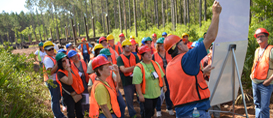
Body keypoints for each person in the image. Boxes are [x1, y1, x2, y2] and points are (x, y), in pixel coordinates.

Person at [164, 1, 221, 118]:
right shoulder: (187, 58)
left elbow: (184, 79)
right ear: (179, 46)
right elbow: (210, 37)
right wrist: (216, 14)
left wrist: (202, 72)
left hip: (182, 111)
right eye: (183, 42)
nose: (186, 44)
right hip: (195, 111)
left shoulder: (170, 66)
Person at [133, 45, 166, 118]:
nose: (149, 55)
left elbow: (161, 75)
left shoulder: (155, 63)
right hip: (146, 96)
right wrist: (140, 95)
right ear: (142, 56)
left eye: (149, 53)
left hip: (156, 93)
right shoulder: (138, 67)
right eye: (147, 54)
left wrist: (164, 85)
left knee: (151, 111)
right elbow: (137, 83)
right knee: (146, 113)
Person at [251, 28, 273, 118]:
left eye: (261, 36)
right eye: (257, 36)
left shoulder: (271, 50)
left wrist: (269, 80)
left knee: (264, 108)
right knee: (257, 106)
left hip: (266, 84)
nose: (259, 38)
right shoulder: (257, 50)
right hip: (255, 83)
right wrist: (251, 76)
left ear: (267, 37)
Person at [56, 52, 84, 118]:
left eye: (66, 59)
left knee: (79, 111)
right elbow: (69, 82)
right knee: (71, 113)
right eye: (63, 61)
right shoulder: (60, 73)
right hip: (69, 95)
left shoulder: (72, 67)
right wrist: (68, 70)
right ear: (60, 63)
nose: (66, 62)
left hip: (77, 92)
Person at [117, 40, 140, 118]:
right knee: (129, 100)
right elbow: (123, 70)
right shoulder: (120, 58)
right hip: (126, 81)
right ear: (123, 47)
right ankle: (132, 114)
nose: (129, 47)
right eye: (127, 46)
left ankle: (143, 112)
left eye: (130, 46)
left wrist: (130, 69)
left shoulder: (135, 56)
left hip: (137, 80)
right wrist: (135, 67)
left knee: (140, 97)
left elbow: (139, 68)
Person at [152, 38, 174, 116]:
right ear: (157, 46)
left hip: (168, 76)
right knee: (158, 94)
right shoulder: (154, 56)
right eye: (161, 45)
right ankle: (158, 110)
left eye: (164, 45)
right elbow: (152, 67)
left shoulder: (169, 53)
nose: (162, 47)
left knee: (168, 93)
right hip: (159, 77)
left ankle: (169, 108)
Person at [42, 41, 65, 118]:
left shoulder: (53, 56)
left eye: (52, 48)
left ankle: (59, 114)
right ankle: (57, 116)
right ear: (45, 51)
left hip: (56, 80)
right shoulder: (47, 59)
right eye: (49, 50)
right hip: (52, 81)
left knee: (57, 98)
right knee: (55, 99)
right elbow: (50, 72)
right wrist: (57, 64)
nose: (51, 50)